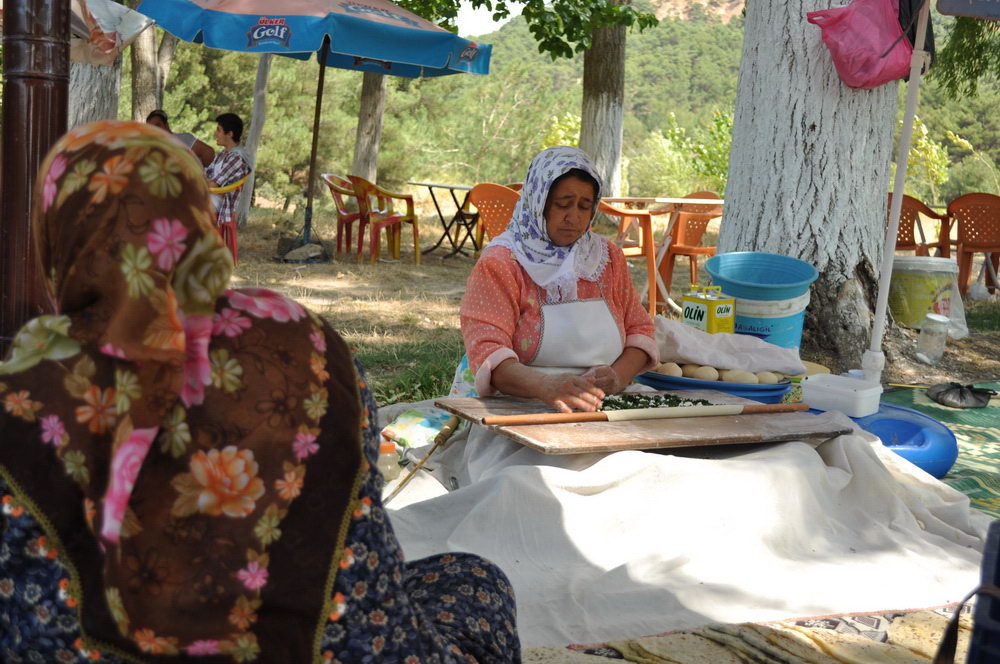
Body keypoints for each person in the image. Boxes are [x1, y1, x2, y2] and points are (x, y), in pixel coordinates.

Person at [384, 146, 989, 648]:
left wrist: (615, 376)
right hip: (520, 402)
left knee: (732, 465)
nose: (573, 218)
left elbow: (639, 332)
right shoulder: (502, 264)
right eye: (562, 203)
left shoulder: (604, 258)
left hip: (605, 396)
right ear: (538, 201)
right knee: (540, 490)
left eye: (585, 205)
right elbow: (489, 351)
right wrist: (549, 386)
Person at [0, 120, 519, 663]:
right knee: (473, 581)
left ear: (59, 234)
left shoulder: (23, 392)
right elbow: (361, 541)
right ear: (194, 215)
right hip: (327, 645)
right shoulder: (305, 341)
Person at [145, 108, 215, 167]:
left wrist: (203, 174)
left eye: (158, 125)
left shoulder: (183, 139)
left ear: (166, 125)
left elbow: (208, 151)